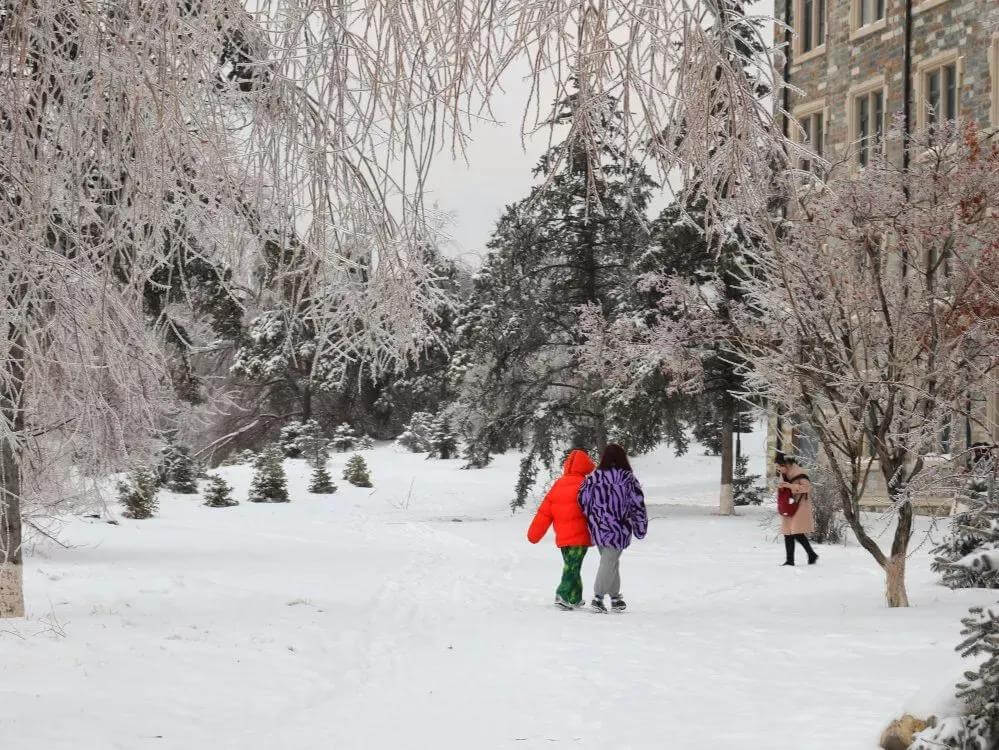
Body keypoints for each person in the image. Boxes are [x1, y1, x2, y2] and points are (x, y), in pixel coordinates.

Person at [578, 444, 648, 613]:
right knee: (609, 561)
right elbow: (637, 505)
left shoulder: (593, 478)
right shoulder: (627, 478)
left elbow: (582, 500)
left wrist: (593, 517)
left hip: (598, 527)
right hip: (618, 528)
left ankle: (615, 597)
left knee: (610, 561)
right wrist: (640, 527)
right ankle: (598, 597)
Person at [527, 449, 595, 610]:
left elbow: (544, 512)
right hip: (580, 537)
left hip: (563, 537)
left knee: (572, 565)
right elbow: (595, 510)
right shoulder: (586, 485)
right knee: (572, 566)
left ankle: (575, 597)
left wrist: (534, 534)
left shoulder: (558, 485)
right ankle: (562, 594)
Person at [775, 453, 818, 566]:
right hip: (788, 505)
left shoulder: (800, 473)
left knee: (797, 532)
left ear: (786, 464)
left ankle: (811, 554)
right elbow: (782, 487)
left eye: (779, 466)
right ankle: (790, 560)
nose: (778, 469)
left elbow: (807, 488)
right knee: (787, 533)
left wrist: (790, 486)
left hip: (800, 505)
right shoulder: (783, 474)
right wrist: (781, 487)